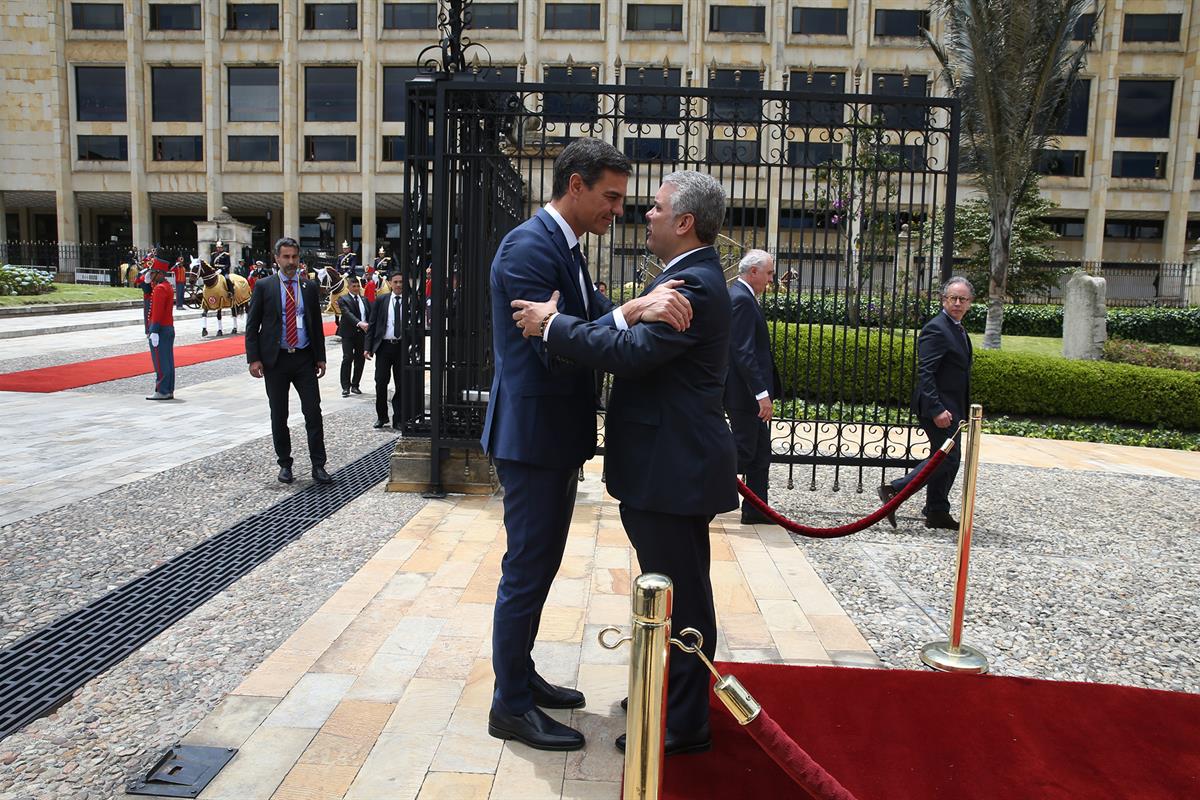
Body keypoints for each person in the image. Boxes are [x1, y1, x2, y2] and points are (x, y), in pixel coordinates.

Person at [512, 170, 737, 757]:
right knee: (676, 590)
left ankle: (684, 724)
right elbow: (631, 336)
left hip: (671, 468)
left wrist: (551, 324)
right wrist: (634, 308)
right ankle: (673, 698)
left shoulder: (692, 283)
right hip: (670, 466)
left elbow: (629, 356)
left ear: (684, 221)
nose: (645, 215)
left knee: (680, 595)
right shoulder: (687, 277)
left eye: (656, 208)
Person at [482, 139, 692, 753]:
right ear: (575, 185)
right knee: (526, 569)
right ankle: (510, 706)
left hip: (552, 436)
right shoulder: (529, 247)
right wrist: (630, 311)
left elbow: (591, 316)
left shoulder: (564, 247)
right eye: (610, 197)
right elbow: (554, 346)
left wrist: (628, 311)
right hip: (532, 437)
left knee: (540, 563)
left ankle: (519, 677)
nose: (618, 210)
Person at [879, 276, 975, 530]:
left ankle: (937, 511)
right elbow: (926, 373)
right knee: (946, 458)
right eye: (952, 298)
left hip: (952, 408)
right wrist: (936, 409)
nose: (957, 303)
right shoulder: (937, 328)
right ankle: (895, 490)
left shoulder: (957, 327)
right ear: (943, 300)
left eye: (962, 299)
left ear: (969, 303)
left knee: (944, 457)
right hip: (937, 408)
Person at [245, 237, 333, 486]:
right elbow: (253, 326)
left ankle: (319, 465)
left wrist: (320, 357)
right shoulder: (265, 286)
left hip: (304, 358)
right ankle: (285, 463)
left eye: (294, 257)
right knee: (279, 414)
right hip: (276, 360)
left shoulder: (308, 287)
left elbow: (315, 325)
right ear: (277, 259)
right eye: (286, 257)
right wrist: (254, 359)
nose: (291, 262)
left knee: (313, 412)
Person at [724, 249, 780, 525]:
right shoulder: (742, 299)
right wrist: (761, 394)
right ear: (753, 271)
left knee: (759, 452)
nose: (771, 279)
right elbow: (743, 351)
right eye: (769, 273)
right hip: (744, 394)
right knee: (745, 450)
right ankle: (694, 490)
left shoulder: (745, 297)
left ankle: (757, 509)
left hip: (747, 393)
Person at [366, 271, 418, 430]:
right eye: (395, 282)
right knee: (381, 382)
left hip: (402, 347)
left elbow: (418, 325)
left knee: (401, 384)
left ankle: (399, 418)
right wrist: (367, 347)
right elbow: (372, 324)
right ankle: (382, 416)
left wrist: (417, 346)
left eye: (401, 282)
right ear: (389, 283)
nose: (398, 285)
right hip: (384, 347)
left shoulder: (411, 301)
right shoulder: (382, 300)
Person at [145, 258, 176, 401]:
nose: (150, 275)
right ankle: (168, 389)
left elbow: (157, 312)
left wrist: (154, 330)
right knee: (168, 361)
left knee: (160, 362)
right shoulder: (166, 286)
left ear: (159, 273)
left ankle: (162, 390)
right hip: (167, 328)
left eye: (152, 272)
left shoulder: (160, 289)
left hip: (160, 328)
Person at [337, 276, 370, 397]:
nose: (356, 289)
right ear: (348, 287)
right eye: (353, 286)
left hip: (362, 334)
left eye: (357, 286)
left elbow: (369, 314)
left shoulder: (364, 300)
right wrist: (360, 323)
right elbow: (347, 313)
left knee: (360, 359)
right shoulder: (343, 299)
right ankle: (345, 386)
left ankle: (355, 385)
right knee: (347, 358)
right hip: (348, 333)